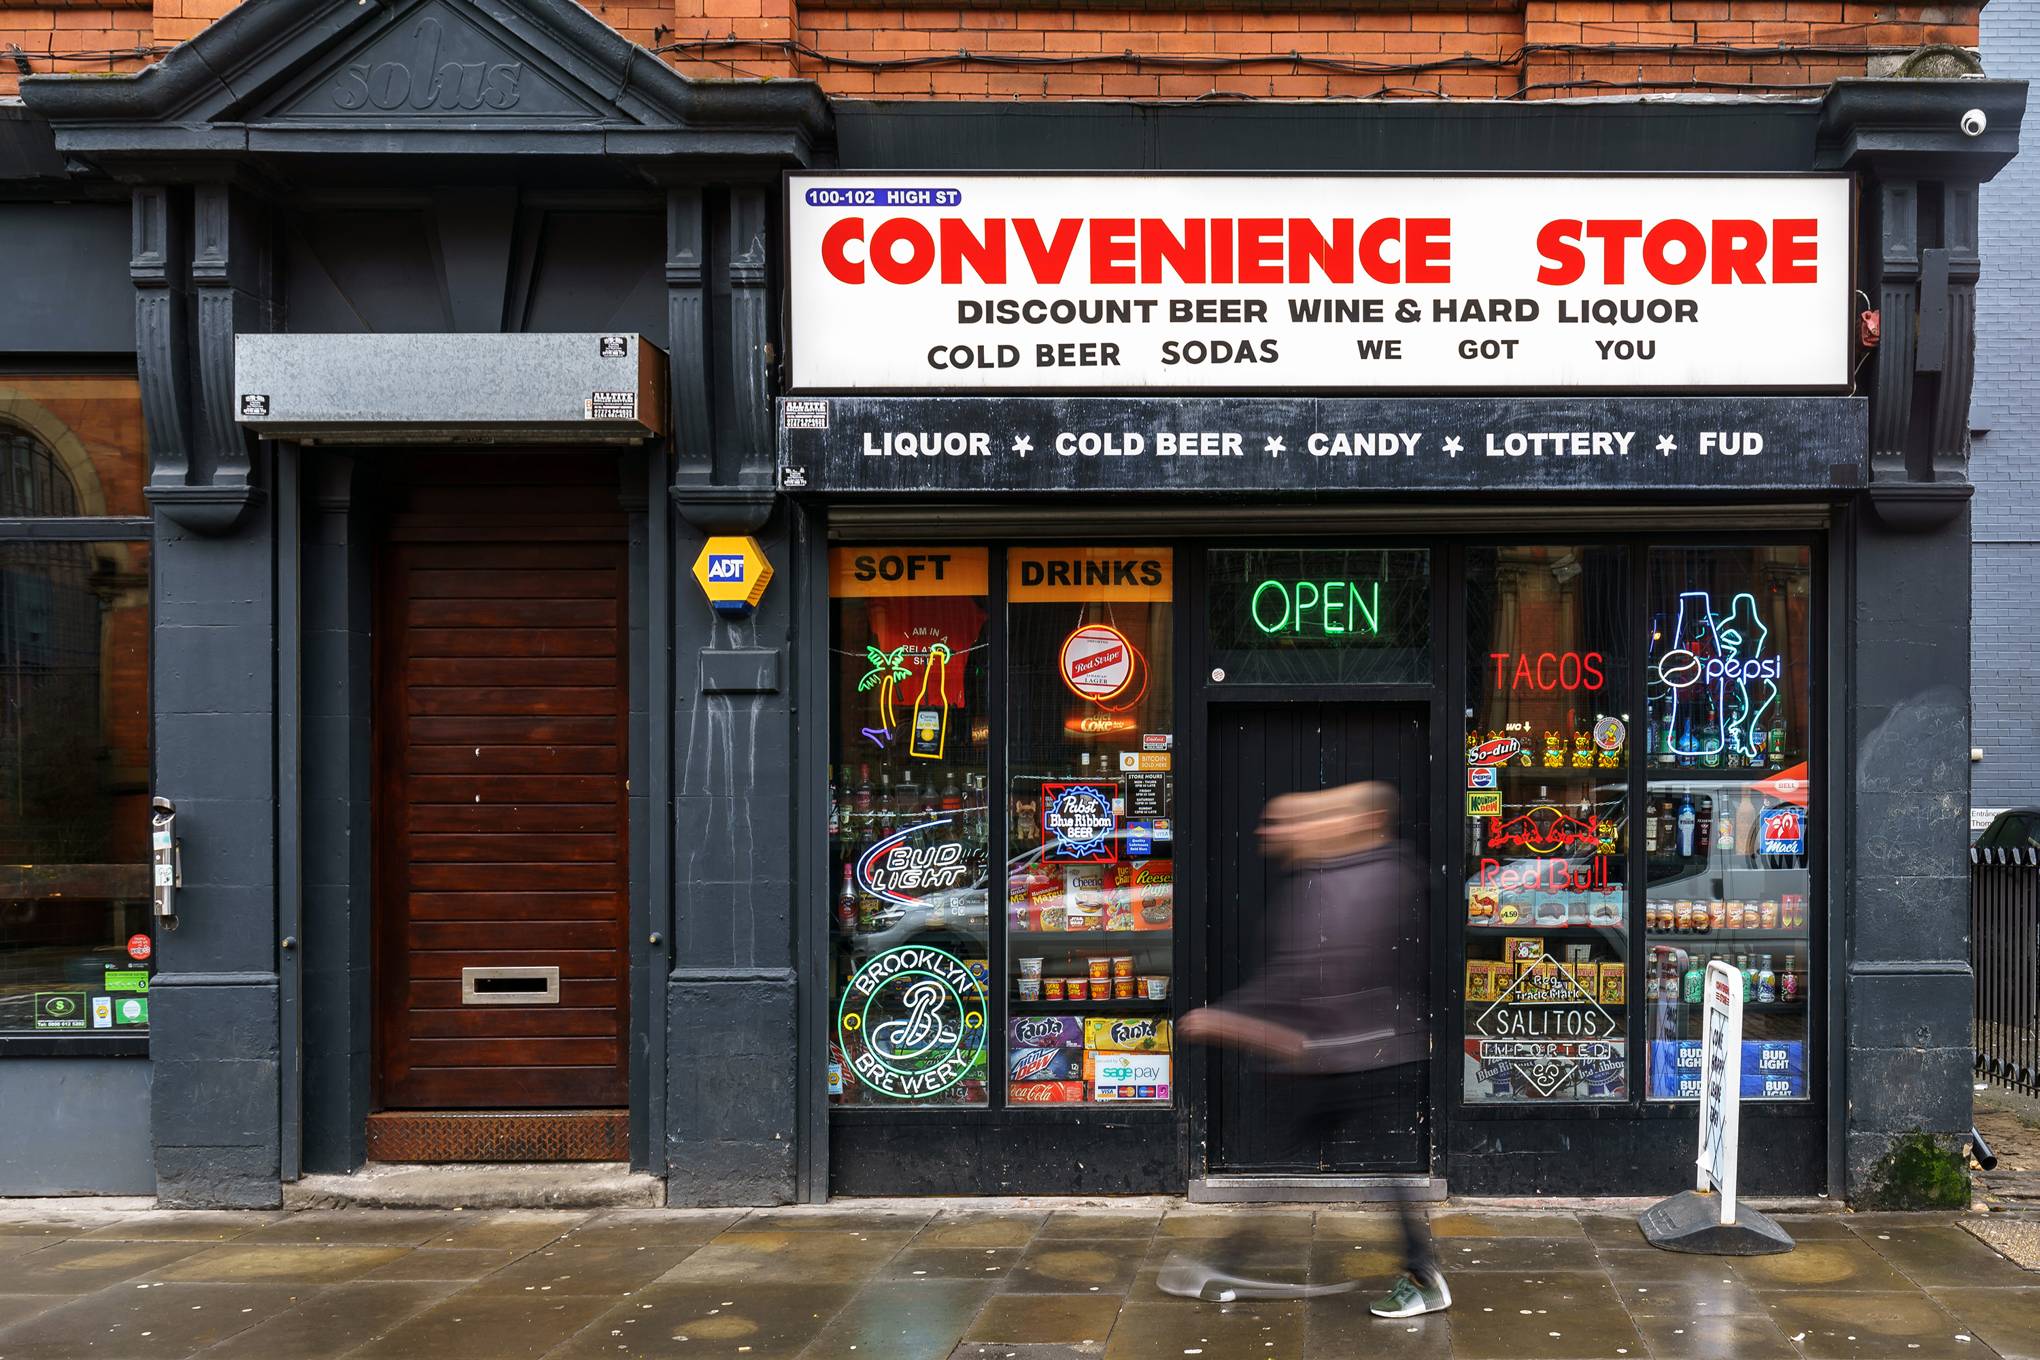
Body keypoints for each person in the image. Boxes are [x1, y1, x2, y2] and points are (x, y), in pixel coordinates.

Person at [1165, 781, 1450, 1319]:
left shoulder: (1355, 881)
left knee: (1362, 1167)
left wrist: (1231, 1019)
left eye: (1288, 823)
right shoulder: (1343, 877)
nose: (1271, 833)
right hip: (1344, 1050)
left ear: (1351, 822)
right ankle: (1227, 1260)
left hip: (1359, 1053)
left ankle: (1422, 1275)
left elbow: (1314, 975)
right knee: (1284, 1154)